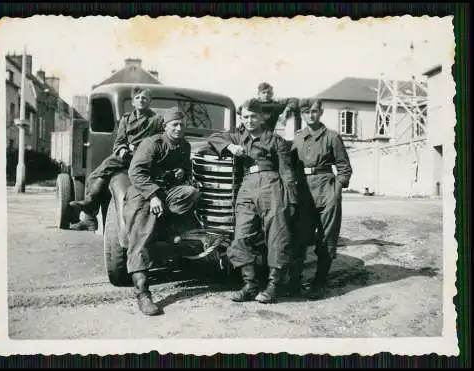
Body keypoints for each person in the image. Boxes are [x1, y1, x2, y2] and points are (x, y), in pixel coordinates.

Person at [207, 98, 298, 304]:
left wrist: (291, 200)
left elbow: (287, 172)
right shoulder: (238, 136)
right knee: (240, 236)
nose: (249, 120)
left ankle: (273, 286)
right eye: (245, 116)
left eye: (253, 116)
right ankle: (251, 284)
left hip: (271, 185)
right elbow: (213, 138)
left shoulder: (275, 140)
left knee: (277, 237)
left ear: (262, 117)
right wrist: (230, 146)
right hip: (247, 186)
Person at [123, 106, 201, 316]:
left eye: (182, 124)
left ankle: (167, 224)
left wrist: (181, 172)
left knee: (191, 192)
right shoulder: (152, 143)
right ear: (165, 126)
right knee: (140, 238)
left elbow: (185, 172)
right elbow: (136, 172)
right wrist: (153, 196)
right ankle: (143, 294)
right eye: (174, 124)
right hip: (143, 192)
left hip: (168, 192)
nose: (178, 128)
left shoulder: (184, 145)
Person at [69, 87, 164, 231]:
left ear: (150, 101)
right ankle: (90, 212)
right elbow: (119, 141)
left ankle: (89, 209)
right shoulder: (126, 119)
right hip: (126, 156)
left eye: (144, 98)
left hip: (144, 158)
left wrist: (141, 148)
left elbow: (160, 141)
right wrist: (122, 149)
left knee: (103, 175)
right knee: (98, 175)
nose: (141, 101)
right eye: (137, 98)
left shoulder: (156, 120)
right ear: (133, 102)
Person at [289, 98, 352, 300]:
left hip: (326, 188)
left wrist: (337, 190)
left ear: (321, 112)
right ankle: (294, 281)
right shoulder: (297, 138)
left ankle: (319, 281)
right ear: (302, 115)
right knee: (299, 236)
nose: (311, 115)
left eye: (314, 111)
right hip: (304, 191)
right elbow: (289, 166)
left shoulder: (332, 137)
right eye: (306, 112)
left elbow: (344, 168)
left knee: (326, 238)